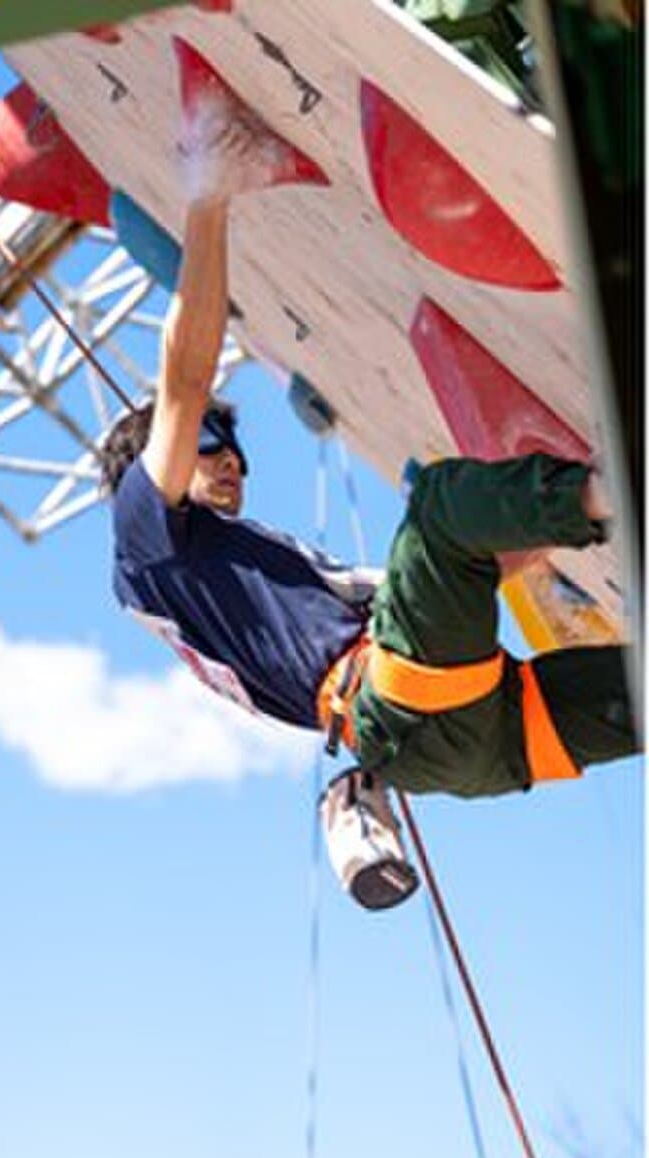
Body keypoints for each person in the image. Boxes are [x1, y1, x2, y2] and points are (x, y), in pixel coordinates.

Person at [103, 104, 639, 832]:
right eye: (208, 439)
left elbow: (452, 582)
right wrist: (209, 192)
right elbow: (184, 379)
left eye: (232, 442)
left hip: (465, 740)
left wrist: (552, 520)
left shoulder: (231, 583)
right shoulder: (145, 541)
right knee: (441, 511)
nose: (227, 454)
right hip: (403, 704)